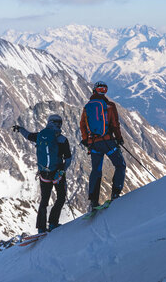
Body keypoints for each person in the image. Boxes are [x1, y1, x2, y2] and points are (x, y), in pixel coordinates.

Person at [12, 114, 73, 233]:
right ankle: (53, 223)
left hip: (44, 174)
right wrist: (61, 171)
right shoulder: (62, 139)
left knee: (44, 200)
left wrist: (19, 129)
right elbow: (68, 159)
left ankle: (41, 228)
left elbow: (28, 135)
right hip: (57, 174)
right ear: (59, 124)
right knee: (60, 197)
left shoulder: (40, 136)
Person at [80, 81, 126, 211]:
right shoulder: (109, 106)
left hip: (94, 145)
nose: (103, 91)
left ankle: (93, 201)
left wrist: (86, 140)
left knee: (96, 170)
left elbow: (82, 125)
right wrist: (119, 138)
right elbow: (115, 124)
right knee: (120, 165)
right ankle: (115, 194)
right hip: (108, 142)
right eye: (102, 89)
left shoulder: (87, 106)